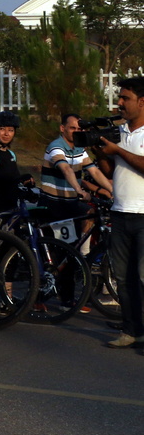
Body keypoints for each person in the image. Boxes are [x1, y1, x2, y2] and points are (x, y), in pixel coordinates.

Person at [99, 77, 144, 348]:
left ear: (142, 102)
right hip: (120, 212)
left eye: (125, 98)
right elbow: (110, 172)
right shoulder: (120, 132)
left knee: (143, 277)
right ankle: (132, 331)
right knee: (123, 278)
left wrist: (118, 151)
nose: (119, 103)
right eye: (120, 97)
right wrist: (102, 152)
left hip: (143, 215)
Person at [41, 113, 112, 245]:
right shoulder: (56, 146)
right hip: (53, 202)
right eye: (72, 128)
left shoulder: (79, 148)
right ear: (63, 128)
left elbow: (94, 171)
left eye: (79, 129)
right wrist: (79, 190)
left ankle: (84, 254)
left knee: (90, 213)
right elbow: (66, 169)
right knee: (62, 245)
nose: (76, 132)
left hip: (70, 201)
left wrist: (112, 190)